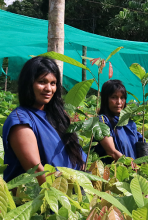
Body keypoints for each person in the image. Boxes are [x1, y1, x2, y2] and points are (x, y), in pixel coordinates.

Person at [3, 56, 86, 184]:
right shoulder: (20, 122)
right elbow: (37, 172)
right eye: (42, 82)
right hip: (43, 197)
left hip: (74, 192)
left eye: (53, 83)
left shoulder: (59, 116)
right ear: (28, 84)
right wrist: (66, 195)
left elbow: (78, 157)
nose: (49, 89)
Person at [94, 80, 143, 163]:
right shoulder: (102, 121)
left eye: (122, 98)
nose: (119, 102)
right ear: (106, 99)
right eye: (114, 97)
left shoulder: (129, 123)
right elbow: (112, 152)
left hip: (133, 172)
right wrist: (132, 166)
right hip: (114, 172)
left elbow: (140, 147)